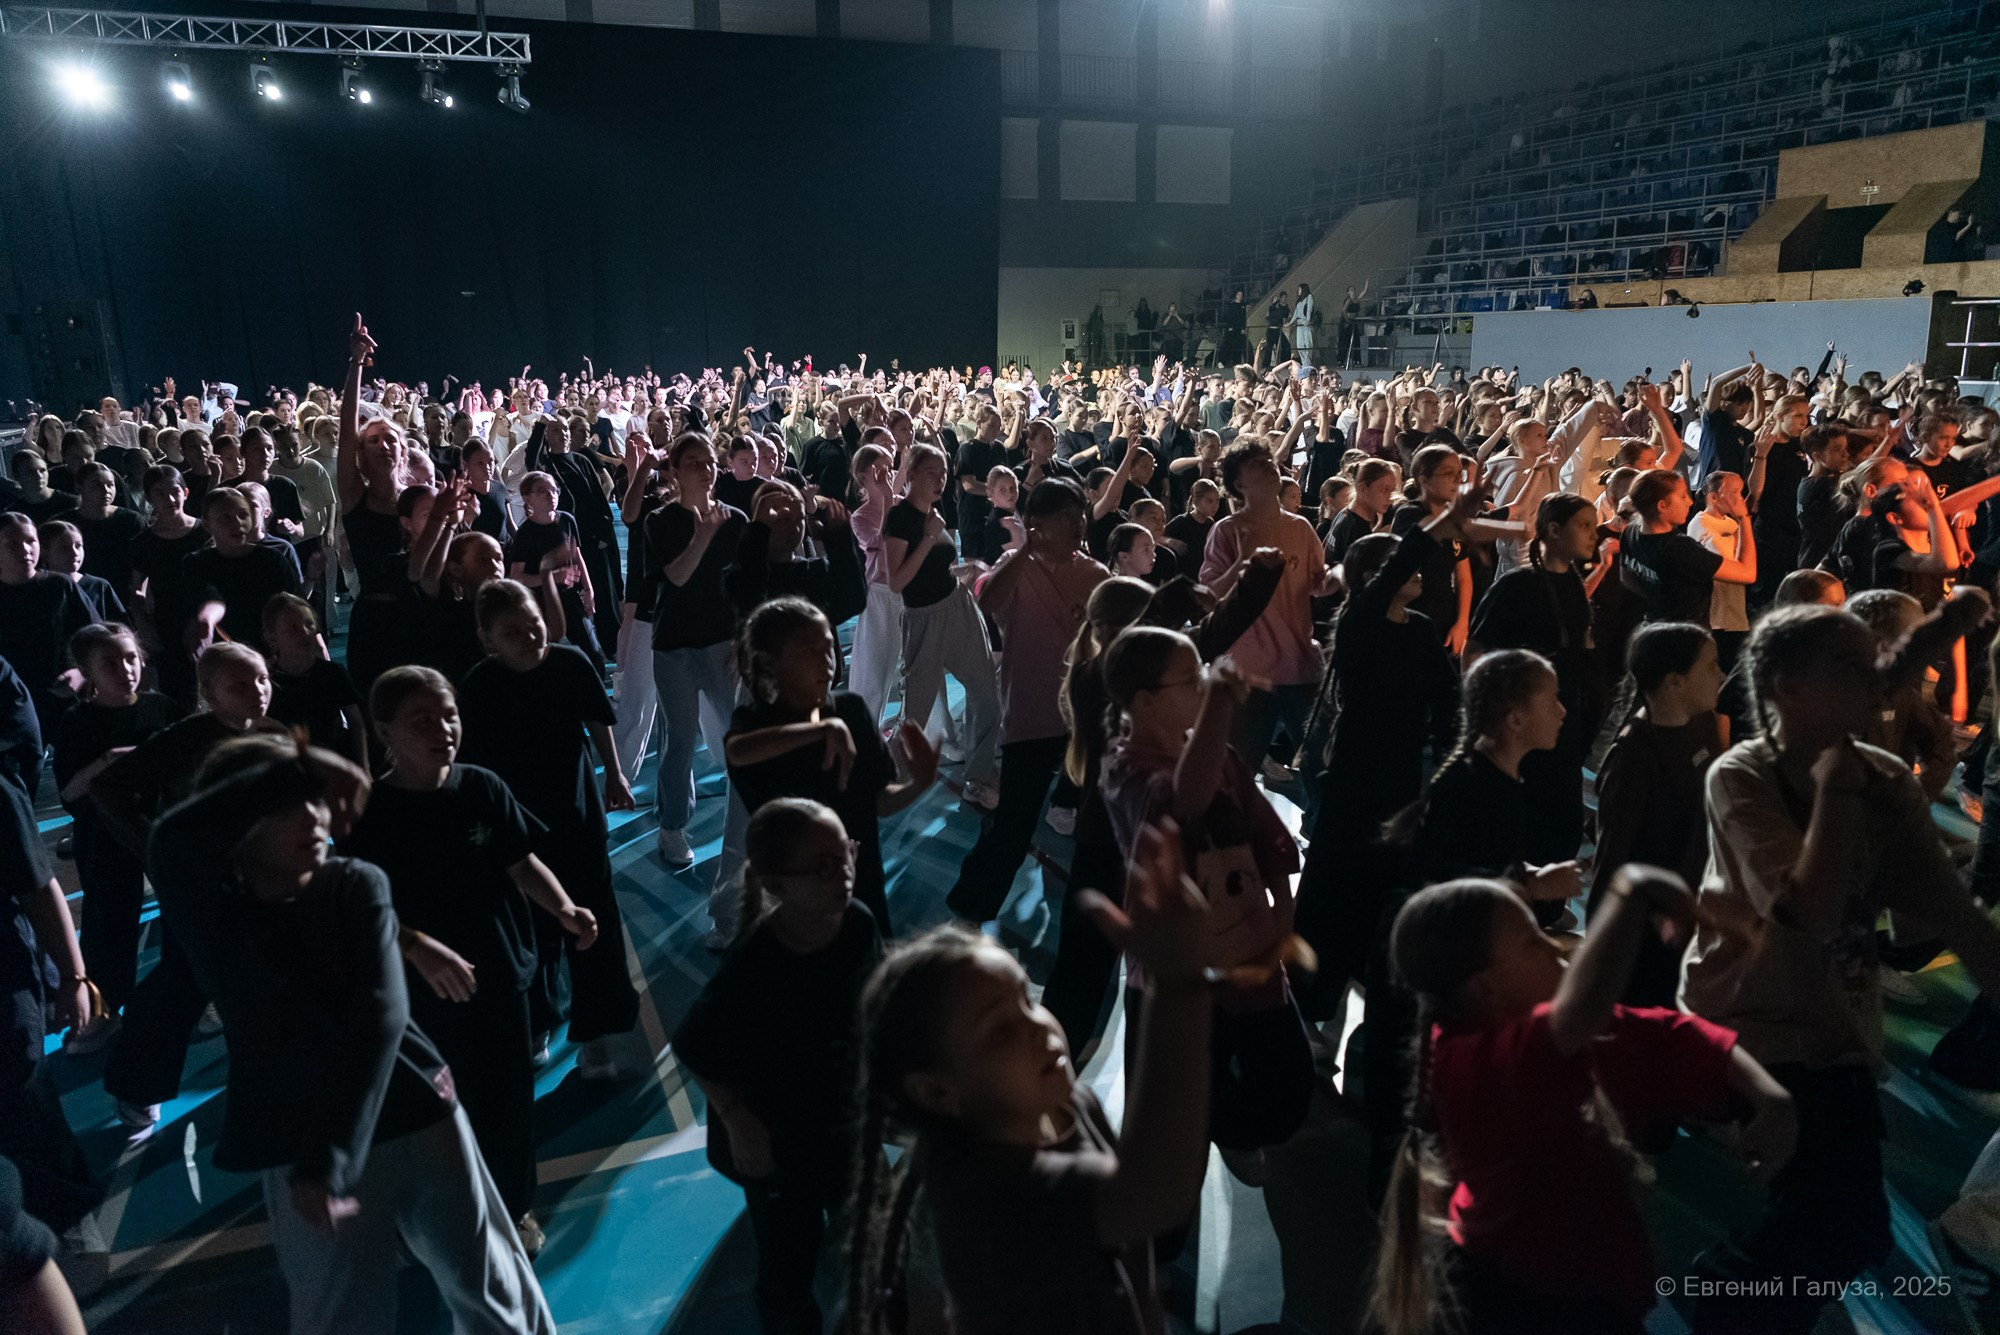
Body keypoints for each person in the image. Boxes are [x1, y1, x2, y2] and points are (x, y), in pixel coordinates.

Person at [144, 734, 555, 1334]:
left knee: (491, 1286)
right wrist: (302, 762)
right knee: (340, 1312)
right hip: (304, 1131)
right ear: (238, 822)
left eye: (315, 800)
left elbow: (381, 1015)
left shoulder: (354, 883)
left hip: (407, 1110)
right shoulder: (214, 910)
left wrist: (330, 1153)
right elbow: (170, 836)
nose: (315, 818)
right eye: (287, 805)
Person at [1682, 604, 2000, 1334]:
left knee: (1848, 1227)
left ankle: (1756, 1293)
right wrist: (1840, 789)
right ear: (1787, 689)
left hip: (1837, 1027)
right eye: (1852, 667)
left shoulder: (1877, 773)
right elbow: (1805, 907)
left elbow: (1945, 912)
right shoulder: (1742, 775)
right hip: (1754, 1028)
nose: (1878, 679)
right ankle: (1727, 1297)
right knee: (1837, 1223)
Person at [1369, 869, 1795, 1335]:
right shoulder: (1472, 1064)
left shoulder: (1541, 1035)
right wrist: (1630, 890)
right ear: (1486, 987)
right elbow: (1582, 1010)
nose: (1553, 946)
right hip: (1524, 1306)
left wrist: (1770, 1097)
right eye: (1532, 942)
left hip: (1576, 1296)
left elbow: (1668, 1035)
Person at [844, 822, 1214, 1334]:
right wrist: (1178, 983)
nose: (1039, 1027)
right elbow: (1153, 1192)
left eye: (1027, 999)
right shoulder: (989, 1198)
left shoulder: (1070, 1103)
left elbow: (1131, 1248)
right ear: (938, 1091)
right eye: (1000, 1031)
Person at [342, 667, 599, 1254]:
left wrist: (563, 907)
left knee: (508, 1101)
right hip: (421, 994)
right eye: (422, 721)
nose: (443, 730)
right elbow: (361, 908)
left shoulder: (482, 787)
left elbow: (520, 861)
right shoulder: (369, 813)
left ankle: (512, 1205)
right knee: (431, 1111)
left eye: (450, 716)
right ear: (384, 731)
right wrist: (415, 945)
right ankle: (429, 1216)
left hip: (501, 974)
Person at [1100, 628, 1314, 1163]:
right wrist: (1219, 707)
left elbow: (1268, 839)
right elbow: (1182, 801)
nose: (1202, 685)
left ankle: (1231, 1132)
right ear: (1145, 702)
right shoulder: (1124, 770)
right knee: (1178, 1117)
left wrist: (1282, 918)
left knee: (1288, 1091)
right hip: (1180, 979)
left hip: (1251, 958)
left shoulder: (1221, 757)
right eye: (1191, 678)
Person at [674, 800, 884, 1335]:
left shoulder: (858, 925)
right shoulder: (755, 965)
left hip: (844, 1122)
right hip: (778, 1139)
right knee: (788, 1260)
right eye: (822, 866)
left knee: (876, 1237)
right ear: (776, 884)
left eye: (846, 854)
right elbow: (694, 1045)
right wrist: (737, 1120)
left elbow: (877, 1007)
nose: (843, 872)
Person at [92, 642, 289, 1131]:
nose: (257, 690)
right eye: (240, 685)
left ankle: (267, 1081)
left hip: (253, 880)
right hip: (198, 883)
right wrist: (153, 843)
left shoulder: (272, 734)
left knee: (255, 977)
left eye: (262, 679)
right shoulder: (186, 739)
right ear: (210, 694)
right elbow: (109, 787)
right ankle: (136, 1084)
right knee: (183, 981)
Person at [458, 579, 640, 1074]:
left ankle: (596, 1031)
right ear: (489, 641)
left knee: (593, 922)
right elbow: (471, 766)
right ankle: (538, 1019)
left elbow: (597, 719)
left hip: (576, 813)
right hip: (517, 825)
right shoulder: (479, 686)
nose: (529, 637)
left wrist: (615, 773)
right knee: (533, 929)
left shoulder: (569, 663)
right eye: (512, 633)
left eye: (533, 625)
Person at [724, 598, 938, 939]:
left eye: (829, 648)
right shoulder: (757, 724)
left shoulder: (851, 711)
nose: (826, 662)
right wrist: (822, 729)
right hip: (798, 905)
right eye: (809, 651)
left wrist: (917, 784)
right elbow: (737, 751)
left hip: (859, 887)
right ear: (769, 663)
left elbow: (880, 801)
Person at [943, 481, 1106, 923]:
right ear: (1036, 523)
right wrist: (1024, 551)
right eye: (1066, 517)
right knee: (1013, 827)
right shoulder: (1015, 568)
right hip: (1031, 716)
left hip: (1083, 718)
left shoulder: (1095, 574)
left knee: (1096, 825)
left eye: (1080, 515)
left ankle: (1090, 922)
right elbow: (988, 601)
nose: (1078, 524)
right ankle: (970, 908)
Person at [51, 622, 185, 1053]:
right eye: (109, 663)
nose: (125, 669)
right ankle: (103, 1011)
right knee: (108, 926)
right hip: (105, 836)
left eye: (130, 658)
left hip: (160, 827)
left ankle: (195, 996)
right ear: (87, 671)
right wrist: (109, 760)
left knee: (186, 914)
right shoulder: (77, 723)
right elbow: (70, 792)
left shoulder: (160, 708)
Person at [1589, 622, 1727, 1006]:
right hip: (1652, 933)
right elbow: (1612, 859)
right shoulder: (1633, 757)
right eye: (1710, 666)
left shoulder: (1702, 723)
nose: (1722, 675)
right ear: (1675, 682)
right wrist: (1602, 955)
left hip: (1695, 912)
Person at [1199, 443, 1338, 766]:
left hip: (1300, 665)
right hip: (1248, 673)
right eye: (1256, 464)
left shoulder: (1300, 527)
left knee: (1323, 765)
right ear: (1238, 483)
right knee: (1238, 767)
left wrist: (1342, 574)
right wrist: (1242, 564)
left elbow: (1318, 582)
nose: (1268, 466)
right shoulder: (1228, 530)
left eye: (1268, 460)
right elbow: (1209, 596)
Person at [885, 443, 1001, 811]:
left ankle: (978, 778)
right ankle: (883, 778)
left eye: (943, 473)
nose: (940, 480)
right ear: (911, 474)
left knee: (986, 696)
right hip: (923, 619)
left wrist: (965, 573)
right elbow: (897, 581)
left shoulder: (935, 512)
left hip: (957, 607)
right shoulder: (900, 518)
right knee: (914, 715)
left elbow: (934, 568)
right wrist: (930, 537)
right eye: (931, 472)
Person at [1619, 469, 1756, 626]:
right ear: (1662, 506)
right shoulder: (1681, 548)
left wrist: (1657, 602)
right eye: (1683, 496)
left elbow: (1627, 578)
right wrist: (1743, 518)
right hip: (1686, 634)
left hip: (1652, 626)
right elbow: (1747, 574)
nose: (1690, 502)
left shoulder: (1630, 532)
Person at [0, 512, 94, 738]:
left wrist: (82, 672)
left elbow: (95, 637)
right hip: (10, 703)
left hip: (61, 696)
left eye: (30, 541)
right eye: (13, 544)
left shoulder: (59, 586)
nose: (25, 550)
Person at [263, 594, 367, 768]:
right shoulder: (267, 680)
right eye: (293, 628)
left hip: (333, 760)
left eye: (309, 624)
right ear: (272, 637)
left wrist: (363, 766)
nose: (305, 632)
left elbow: (356, 721)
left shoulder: (333, 672)